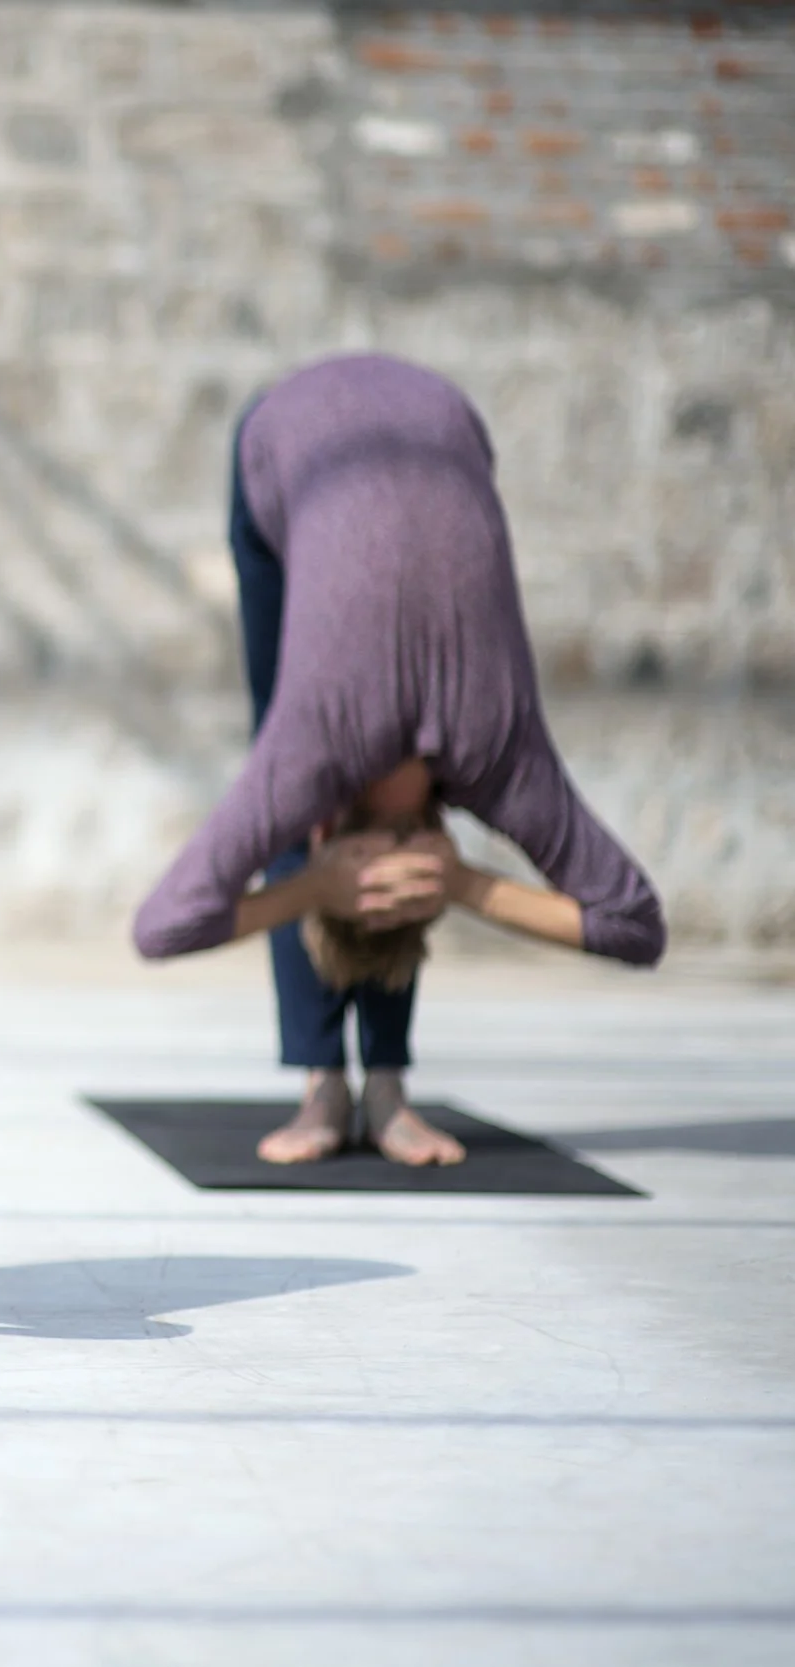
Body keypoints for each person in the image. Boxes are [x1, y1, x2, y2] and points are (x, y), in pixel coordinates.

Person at [134, 354, 664, 1166]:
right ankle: (358, 1083)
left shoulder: (367, 752)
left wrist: (396, 885)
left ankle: (349, 1084)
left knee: (271, 770)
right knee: (270, 778)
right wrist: (446, 884)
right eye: (419, 886)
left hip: (384, 420)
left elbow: (164, 927)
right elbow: (637, 928)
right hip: (401, 421)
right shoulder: (484, 755)